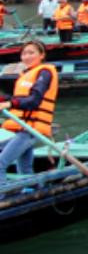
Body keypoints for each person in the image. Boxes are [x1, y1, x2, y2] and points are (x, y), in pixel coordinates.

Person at [0, 41, 59, 177]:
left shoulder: (44, 72)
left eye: (31, 53)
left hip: (31, 128)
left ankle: (2, 196)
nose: (27, 57)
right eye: (24, 53)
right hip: (23, 126)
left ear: (42, 55)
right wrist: (4, 99)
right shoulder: (25, 75)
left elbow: (34, 100)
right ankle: (30, 190)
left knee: (1, 163)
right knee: (25, 168)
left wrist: (9, 104)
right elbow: (18, 97)